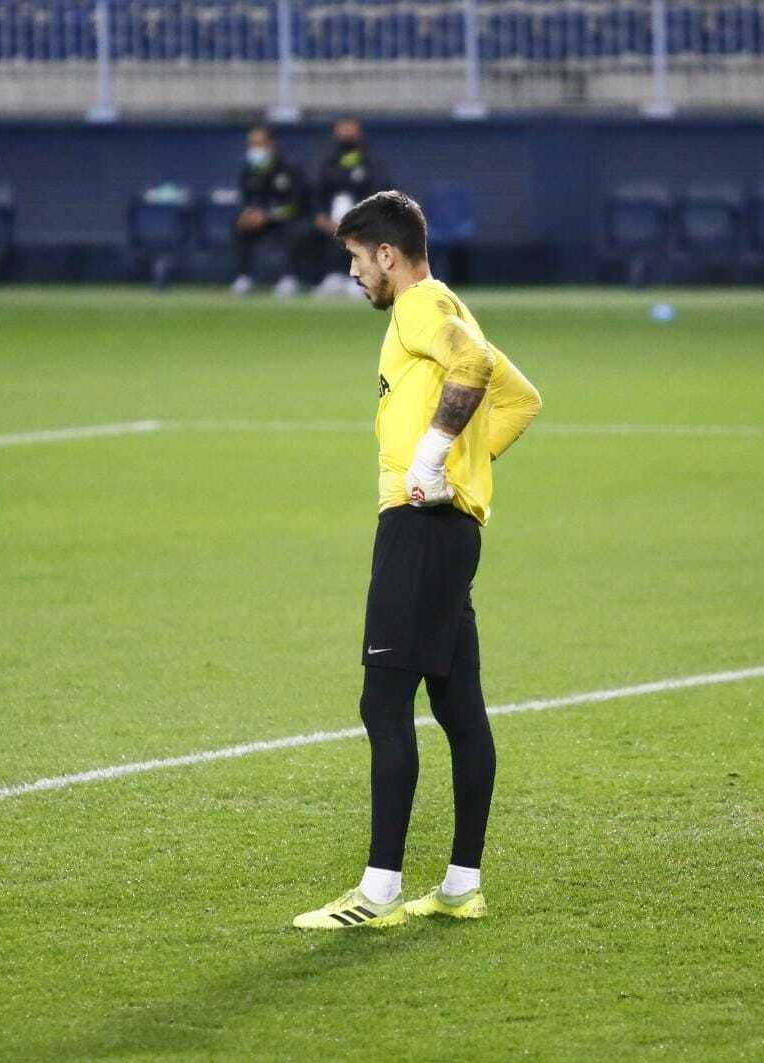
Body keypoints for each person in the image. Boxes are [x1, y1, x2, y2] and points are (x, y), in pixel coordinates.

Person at [292, 192, 541, 930]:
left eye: (356, 258)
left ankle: (378, 892)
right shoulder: (448, 302)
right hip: (448, 528)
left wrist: (433, 458)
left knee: (384, 704)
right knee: (457, 705)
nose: (354, 273)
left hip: (419, 527)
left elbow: (473, 364)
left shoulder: (419, 307)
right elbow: (519, 398)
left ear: (387, 255)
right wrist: (463, 463)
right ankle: (462, 886)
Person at [232, 124, 313, 298]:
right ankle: (244, 277)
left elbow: (295, 204)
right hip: (259, 221)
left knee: (294, 230)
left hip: (287, 220)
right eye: (252, 145)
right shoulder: (249, 170)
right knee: (238, 225)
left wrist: (267, 215)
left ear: (271, 144)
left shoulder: (289, 167)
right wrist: (246, 214)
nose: (255, 150)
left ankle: (289, 278)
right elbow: (246, 199)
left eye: (259, 144)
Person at [312, 119, 389, 296]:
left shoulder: (371, 163)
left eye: (349, 129)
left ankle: (362, 277)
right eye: (342, 130)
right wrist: (321, 216)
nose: (345, 134)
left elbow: (381, 193)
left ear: (358, 133)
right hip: (332, 220)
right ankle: (334, 275)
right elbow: (319, 194)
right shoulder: (329, 164)